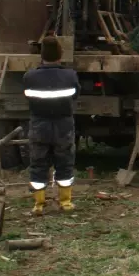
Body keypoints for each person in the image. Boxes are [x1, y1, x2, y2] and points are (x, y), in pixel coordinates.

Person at [23, 36, 80, 215]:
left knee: (38, 162)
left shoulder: (30, 76)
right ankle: (65, 202)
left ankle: (38, 204)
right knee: (65, 162)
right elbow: (75, 94)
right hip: (63, 125)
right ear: (60, 55)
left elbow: (27, 96)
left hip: (39, 125)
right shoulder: (70, 76)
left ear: (42, 55)